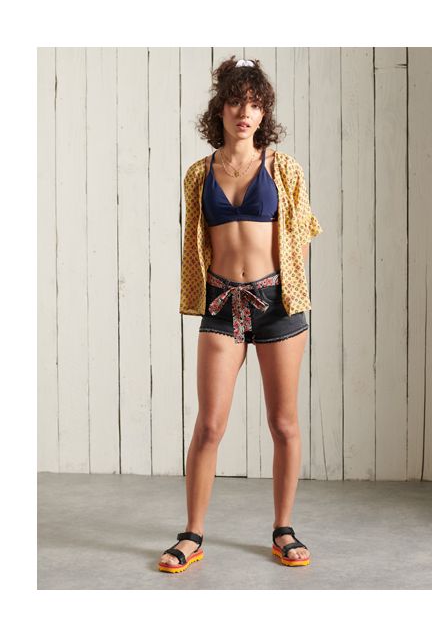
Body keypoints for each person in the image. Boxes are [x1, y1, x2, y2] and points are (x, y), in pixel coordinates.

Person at [158, 56, 323, 573]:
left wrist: (284, 286)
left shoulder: (283, 169)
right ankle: (192, 534)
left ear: (264, 112)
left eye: (254, 104)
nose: (244, 113)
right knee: (209, 425)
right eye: (235, 102)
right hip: (222, 304)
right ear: (220, 110)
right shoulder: (198, 174)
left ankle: (283, 529)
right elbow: (197, 243)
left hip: (277, 305)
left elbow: (302, 233)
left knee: (284, 423)